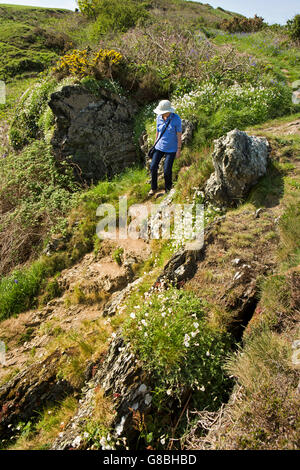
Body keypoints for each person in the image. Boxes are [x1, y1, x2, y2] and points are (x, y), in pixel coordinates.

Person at [148, 100, 182, 196]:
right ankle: (153, 188)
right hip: (159, 147)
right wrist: (154, 144)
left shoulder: (176, 119)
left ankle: (167, 191)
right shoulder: (159, 117)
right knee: (153, 166)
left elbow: (179, 135)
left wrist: (178, 149)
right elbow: (157, 132)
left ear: (169, 111)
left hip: (171, 149)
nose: (162, 114)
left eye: (164, 112)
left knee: (167, 170)